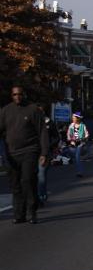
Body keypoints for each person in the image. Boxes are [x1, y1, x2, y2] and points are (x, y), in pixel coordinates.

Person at [0, 86, 49, 224]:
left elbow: (42, 132)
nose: (17, 97)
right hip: (11, 153)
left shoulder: (33, 110)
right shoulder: (5, 111)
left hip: (29, 151)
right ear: (11, 95)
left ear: (24, 94)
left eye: (20, 94)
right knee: (15, 185)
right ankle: (19, 214)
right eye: (15, 94)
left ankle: (32, 211)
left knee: (27, 180)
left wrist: (44, 153)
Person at [36, 103, 59, 204]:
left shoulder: (49, 123)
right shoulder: (31, 122)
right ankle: (40, 194)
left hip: (45, 153)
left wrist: (49, 145)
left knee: (41, 175)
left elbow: (56, 137)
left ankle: (41, 196)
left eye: (41, 111)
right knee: (32, 176)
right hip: (32, 152)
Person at [67, 112, 89, 177]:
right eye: (72, 118)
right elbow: (69, 134)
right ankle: (79, 169)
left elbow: (87, 135)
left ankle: (80, 172)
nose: (73, 119)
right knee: (74, 157)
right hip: (73, 143)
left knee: (77, 157)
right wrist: (71, 139)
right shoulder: (71, 125)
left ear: (77, 118)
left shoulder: (83, 126)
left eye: (74, 118)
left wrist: (83, 139)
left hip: (80, 144)